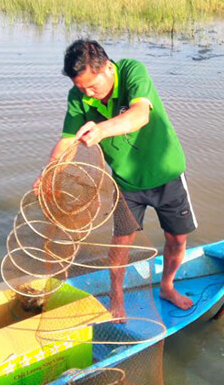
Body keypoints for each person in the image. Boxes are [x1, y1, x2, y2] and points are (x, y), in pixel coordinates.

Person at [35, 39, 197, 311]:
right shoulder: (79, 96)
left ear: (108, 68)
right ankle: (116, 296)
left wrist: (101, 130)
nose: (88, 92)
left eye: (92, 85)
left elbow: (140, 115)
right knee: (121, 241)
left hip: (166, 174)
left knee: (177, 239)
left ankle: (167, 286)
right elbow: (67, 141)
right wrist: (49, 171)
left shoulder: (132, 71)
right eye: (81, 87)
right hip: (125, 182)